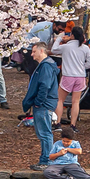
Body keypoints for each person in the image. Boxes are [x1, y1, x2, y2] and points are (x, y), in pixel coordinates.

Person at [23, 42, 60, 170]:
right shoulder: (45, 66)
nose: (32, 55)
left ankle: (47, 161)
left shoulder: (46, 67)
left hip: (44, 104)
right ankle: (44, 160)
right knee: (42, 133)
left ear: (42, 51)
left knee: (45, 133)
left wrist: (38, 102)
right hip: (43, 103)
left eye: (34, 52)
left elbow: (44, 85)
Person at [51, 26, 90, 132]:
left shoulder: (66, 47)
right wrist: (82, 67)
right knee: (75, 102)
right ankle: (73, 125)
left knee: (60, 100)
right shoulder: (84, 48)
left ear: (72, 35)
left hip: (68, 76)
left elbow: (53, 50)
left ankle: (58, 122)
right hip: (80, 77)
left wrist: (59, 39)